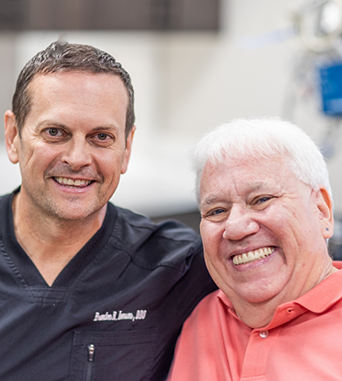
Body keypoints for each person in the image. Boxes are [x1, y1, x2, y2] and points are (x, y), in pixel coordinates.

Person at [1, 41, 216, 381]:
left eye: (101, 137)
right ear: (13, 136)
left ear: (127, 147)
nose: (77, 158)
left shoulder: (175, 267)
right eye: (55, 133)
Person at [167, 118, 342, 380]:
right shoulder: (199, 317)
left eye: (261, 200)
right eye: (217, 211)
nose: (236, 228)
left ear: (322, 212)